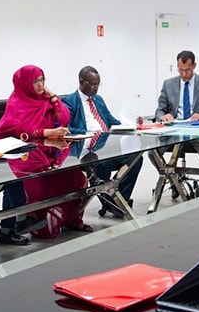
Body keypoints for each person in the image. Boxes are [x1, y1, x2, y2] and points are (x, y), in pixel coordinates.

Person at [0, 65, 91, 237]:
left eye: (42, 80)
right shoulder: (17, 102)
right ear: (24, 83)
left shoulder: (45, 99)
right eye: (35, 81)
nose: (40, 84)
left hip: (48, 153)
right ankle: (38, 223)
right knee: (43, 183)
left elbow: (64, 119)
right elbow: (19, 131)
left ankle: (71, 220)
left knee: (75, 177)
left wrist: (53, 96)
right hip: (25, 159)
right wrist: (48, 132)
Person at [61, 66, 142, 217]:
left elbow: (112, 121)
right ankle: (112, 202)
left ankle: (118, 200)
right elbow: (67, 129)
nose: (96, 88)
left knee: (136, 158)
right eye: (93, 84)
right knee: (100, 164)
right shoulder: (69, 101)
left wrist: (132, 125)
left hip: (105, 147)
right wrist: (91, 134)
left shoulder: (98, 100)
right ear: (81, 82)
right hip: (85, 151)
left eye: (98, 84)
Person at [154, 50, 199, 196]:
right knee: (152, 152)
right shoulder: (168, 84)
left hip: (197, 129)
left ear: (194, 66)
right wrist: (163, 116)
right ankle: (173, 181)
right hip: (174, 129)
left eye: (188, 70)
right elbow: (159, 110)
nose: (184, 74)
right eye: (181, 70)